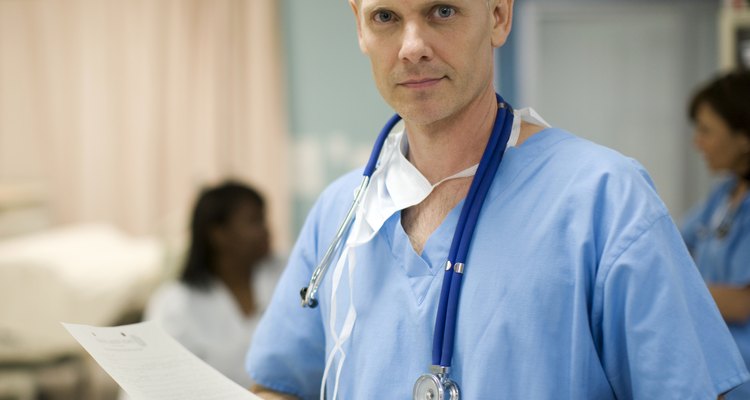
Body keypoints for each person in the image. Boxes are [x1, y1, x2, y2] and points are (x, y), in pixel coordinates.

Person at [247, 1, 749, 399]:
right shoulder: (341, 214)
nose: (412, 46)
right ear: (359, 25)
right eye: (386, 17)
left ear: (498, 16)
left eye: (442, 10)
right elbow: (280, 385)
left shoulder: (605, 199)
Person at [145, 180, 278, 388]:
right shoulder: (176, 303)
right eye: (254, 221)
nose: (266, 231)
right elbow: (153, 380)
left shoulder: (287, 277)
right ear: (218, 234)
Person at [681, 70, 750, 399]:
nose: (697, 142)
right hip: (716, 374)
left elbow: (743, 302)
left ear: (744, 136)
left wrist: (672, 290)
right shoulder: (723, 196)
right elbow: (669, 243)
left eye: (707, 131)